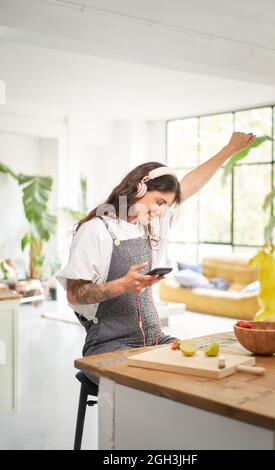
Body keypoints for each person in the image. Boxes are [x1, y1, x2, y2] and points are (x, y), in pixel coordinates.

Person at [57, 132, 255, 383]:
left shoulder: (149, 226)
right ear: (140, 187)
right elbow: (75, 294)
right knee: (156, 385)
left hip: (154, 341)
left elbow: (189, 185)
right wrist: (122, 285)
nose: (160, 212)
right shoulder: (96, 230)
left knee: (210, 370)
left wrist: (229, 150)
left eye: (166, 206)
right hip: (110, 348)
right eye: (158, 202)